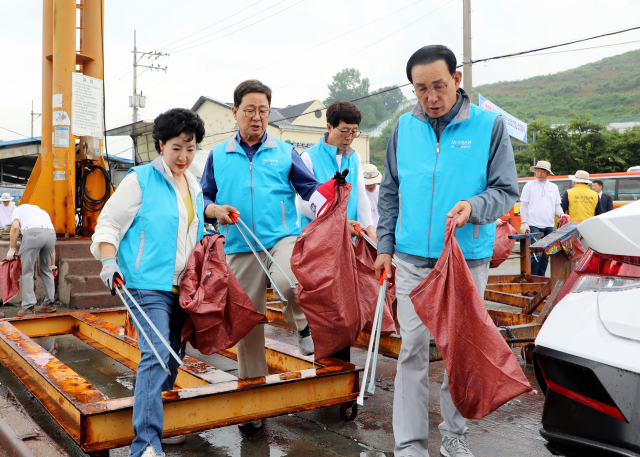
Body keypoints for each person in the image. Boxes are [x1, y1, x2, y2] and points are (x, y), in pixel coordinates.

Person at [374, 45, 519, 457]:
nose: (431, 97)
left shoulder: (489, 126)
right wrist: (385, 246)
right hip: (411, 261)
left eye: (439, 86)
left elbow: (505, 191)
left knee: (459, 352)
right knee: (413, 351)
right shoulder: (403, 129)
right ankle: (410, 446)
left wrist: (473, 207)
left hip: (464, 261)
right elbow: (390, 192)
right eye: (421, 90)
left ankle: (454, 438)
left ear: (457, 79)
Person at [201, 80, 325, 429]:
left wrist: (333, 209)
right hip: (239, 244)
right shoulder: (218, 155)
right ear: (235, 112)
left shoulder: (286, 152)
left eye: (263, 111)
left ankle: (303, 328)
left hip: (280, 238)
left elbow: (311, 190)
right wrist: (214, 212)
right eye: (250, 110)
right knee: (247, 320)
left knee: (290, 281)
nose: (257, 117)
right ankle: (253, 399)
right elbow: (204, 198)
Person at [91, 108, 205, 457]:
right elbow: (108, 224)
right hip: (145, 285)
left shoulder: (195, 185)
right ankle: (145, 445)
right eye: (176, 148)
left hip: (181, 288)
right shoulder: (140, 179)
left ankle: (156, 419)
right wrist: (109, 261)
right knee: (156, 356)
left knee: (172, 359)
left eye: (190, 148)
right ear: (160, 145)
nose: (184, 156)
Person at [297, 101, 376, 241]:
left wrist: (370, 228)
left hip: (349, 239)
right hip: (318, 242)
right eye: (344, 131)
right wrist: (340, 224)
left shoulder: (355, 158)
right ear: (329, 127)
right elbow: (304, 205)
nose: (349, 137)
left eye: (354, 131)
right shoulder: (308, 158)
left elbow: (360, 196)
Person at [7, 204, 57, 316]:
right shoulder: (43, 212)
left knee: (27, 271)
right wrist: (52, 264)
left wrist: (12, 248)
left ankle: (28, 307)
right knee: (46, 269)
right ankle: (49, 303)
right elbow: (53, 248)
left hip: (33, 234)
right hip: (50, 234)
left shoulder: (18, 209)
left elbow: (15, 228)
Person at [519, 161, 566, 276]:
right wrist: (523, 222)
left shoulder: (553, 187)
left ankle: (542, 280)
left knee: (545, 255)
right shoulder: (529, 185)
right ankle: (534, 281)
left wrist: (562, 215)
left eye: (543, 171)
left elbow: (556, 205)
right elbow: (523, 205)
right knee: (536, 255)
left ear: (548, 173)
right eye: (538, 170)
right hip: (533, 224)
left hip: (549, 225)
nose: (539, 173)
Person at [363, 163, 382, 229]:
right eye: (368, 183)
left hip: (381, 228)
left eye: (373, 183)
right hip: (365, 230)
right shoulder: (360, 193)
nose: (371, 186)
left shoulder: (382, 191)